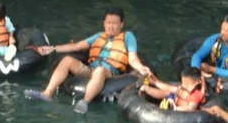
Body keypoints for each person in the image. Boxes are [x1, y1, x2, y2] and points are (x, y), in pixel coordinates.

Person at [25, 7, 153, 113]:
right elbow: (77, 46)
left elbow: (132, 58)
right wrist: (52, 48)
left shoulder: (128, 37)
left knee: (100, 71)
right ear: (104, 23)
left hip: (109, 72)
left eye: (115, 23)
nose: (111, 26)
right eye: (108, 22)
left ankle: (84, 102)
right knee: (67, 60)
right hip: (91, 69)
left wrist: (141, 68)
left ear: (121, 24)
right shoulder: (99, 36)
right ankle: (47, 93)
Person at [191, 15, 228, 87]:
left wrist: (211, 69)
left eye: (226, 30)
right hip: (212, 74)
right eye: (221, 29)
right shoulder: (215, 39)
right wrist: (196, 70)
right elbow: (197, 55)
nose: (222, 33)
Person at [138, 67, 207, 112]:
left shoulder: (196, 95)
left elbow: (191, 108)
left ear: (197, 82)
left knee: (170, 95)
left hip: (176, 110)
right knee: (168, 93)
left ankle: (147, 88)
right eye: (183, 83)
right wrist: (154, 82)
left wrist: (175, 108)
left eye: (186, 84)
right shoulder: (183, 88)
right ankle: (147, 87)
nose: (183, 85)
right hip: (172, 101)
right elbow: (169, 88)